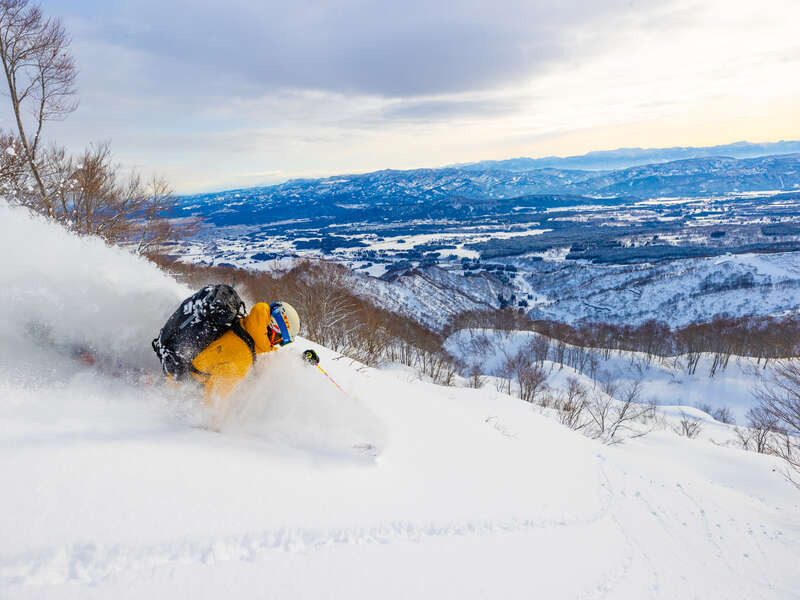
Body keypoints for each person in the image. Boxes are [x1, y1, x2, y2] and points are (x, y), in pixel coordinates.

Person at [190, 300, 316, 410]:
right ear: (272, 326)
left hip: (195, 370)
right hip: (189, 384)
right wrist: (216, 423)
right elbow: (214, 398)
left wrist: (300, 359)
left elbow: (270, 357)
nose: (277, 344)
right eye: (279, 339)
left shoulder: (249, 327)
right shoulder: (242, 357)